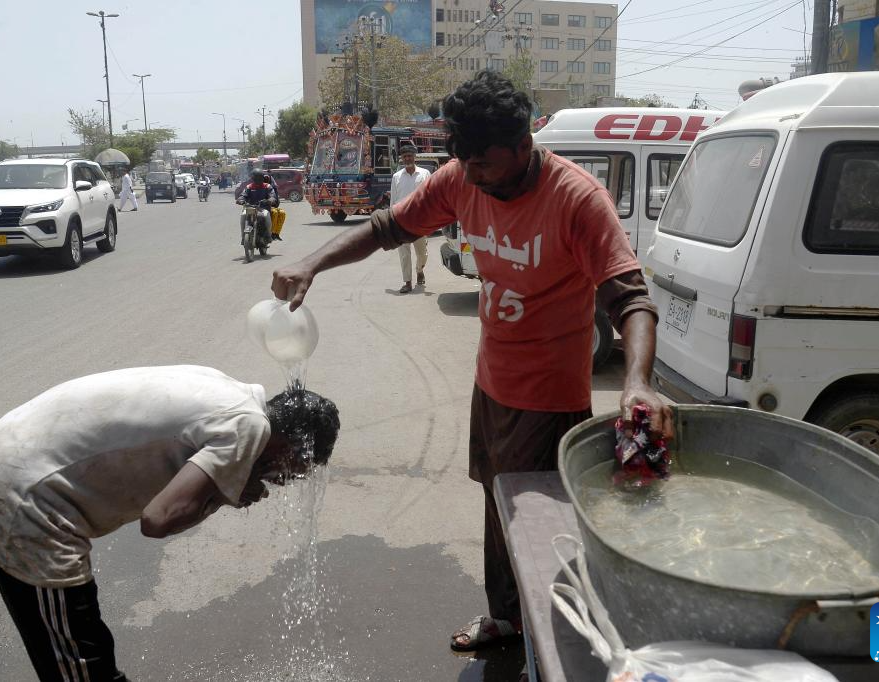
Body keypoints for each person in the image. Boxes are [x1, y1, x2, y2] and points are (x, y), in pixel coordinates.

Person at [271, 70, 673, 653]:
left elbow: (630, 298)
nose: (475, 177)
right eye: (467, 163)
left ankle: (558, 639)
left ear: (523, 144)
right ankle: (508, 619)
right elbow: (389, 227)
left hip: (549, 400)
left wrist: (637, 382)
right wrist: (312, 262)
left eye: (485, 163)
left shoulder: (577, 198)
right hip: (491, 383)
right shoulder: (461, 179)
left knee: (542, 528)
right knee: (495, 502)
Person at [0, 365, 340, 682]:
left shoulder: (233, 394)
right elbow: (159, 520)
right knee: (81, 666)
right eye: (295, 469)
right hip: (27, 497)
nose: (284, 481)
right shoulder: (248, 426)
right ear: (290, 444)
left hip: (14, 462)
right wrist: (221, 495)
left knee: (69, 655)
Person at [389, 142, 431, 294]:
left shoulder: (425, 174)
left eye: (409, 156)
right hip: (401, 221)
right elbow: (393, 201)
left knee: (422, 254)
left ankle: (419, 270)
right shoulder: (396, 177)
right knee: (404, 253)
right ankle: (407, 282)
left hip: (420, 221)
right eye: (404, 156)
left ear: (415, 157)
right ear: (401, 158)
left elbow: (430, 197)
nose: (407, 158)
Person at [237, 170, 281, 245]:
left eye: (259, 178)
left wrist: (269, 200)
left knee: (266, 215)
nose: (258, 180)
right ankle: (243, 237)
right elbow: (243, 195)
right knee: (243, 215)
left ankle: (268, 235)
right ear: (253, 178)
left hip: (263, 208)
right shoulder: (249, 187)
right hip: (250, 208)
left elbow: (273, 196)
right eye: (256, 178)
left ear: (262, 178)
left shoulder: (267, 186)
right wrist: (241, 200)